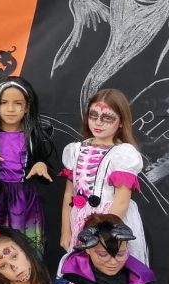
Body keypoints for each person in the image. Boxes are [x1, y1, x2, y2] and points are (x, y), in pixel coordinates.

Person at [60, 88, 147, 264]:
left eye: (107, 118)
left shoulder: (122, 154)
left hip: (111, 222)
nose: (98, 122)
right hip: (80, 221)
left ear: (121, 122)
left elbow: (121, 202)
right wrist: (66, 231)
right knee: (84, 266)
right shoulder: (75, 150)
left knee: (109, 263)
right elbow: (69, 194)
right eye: (93, 116)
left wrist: (102, 234)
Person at [0, 77, 57, 254]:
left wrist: (41, 166)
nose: (11, 109)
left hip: (25, 200)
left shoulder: (35, 135)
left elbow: (47, 171)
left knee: (26, 247)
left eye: (18, 103)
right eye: (3, 103)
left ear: (27, 107)